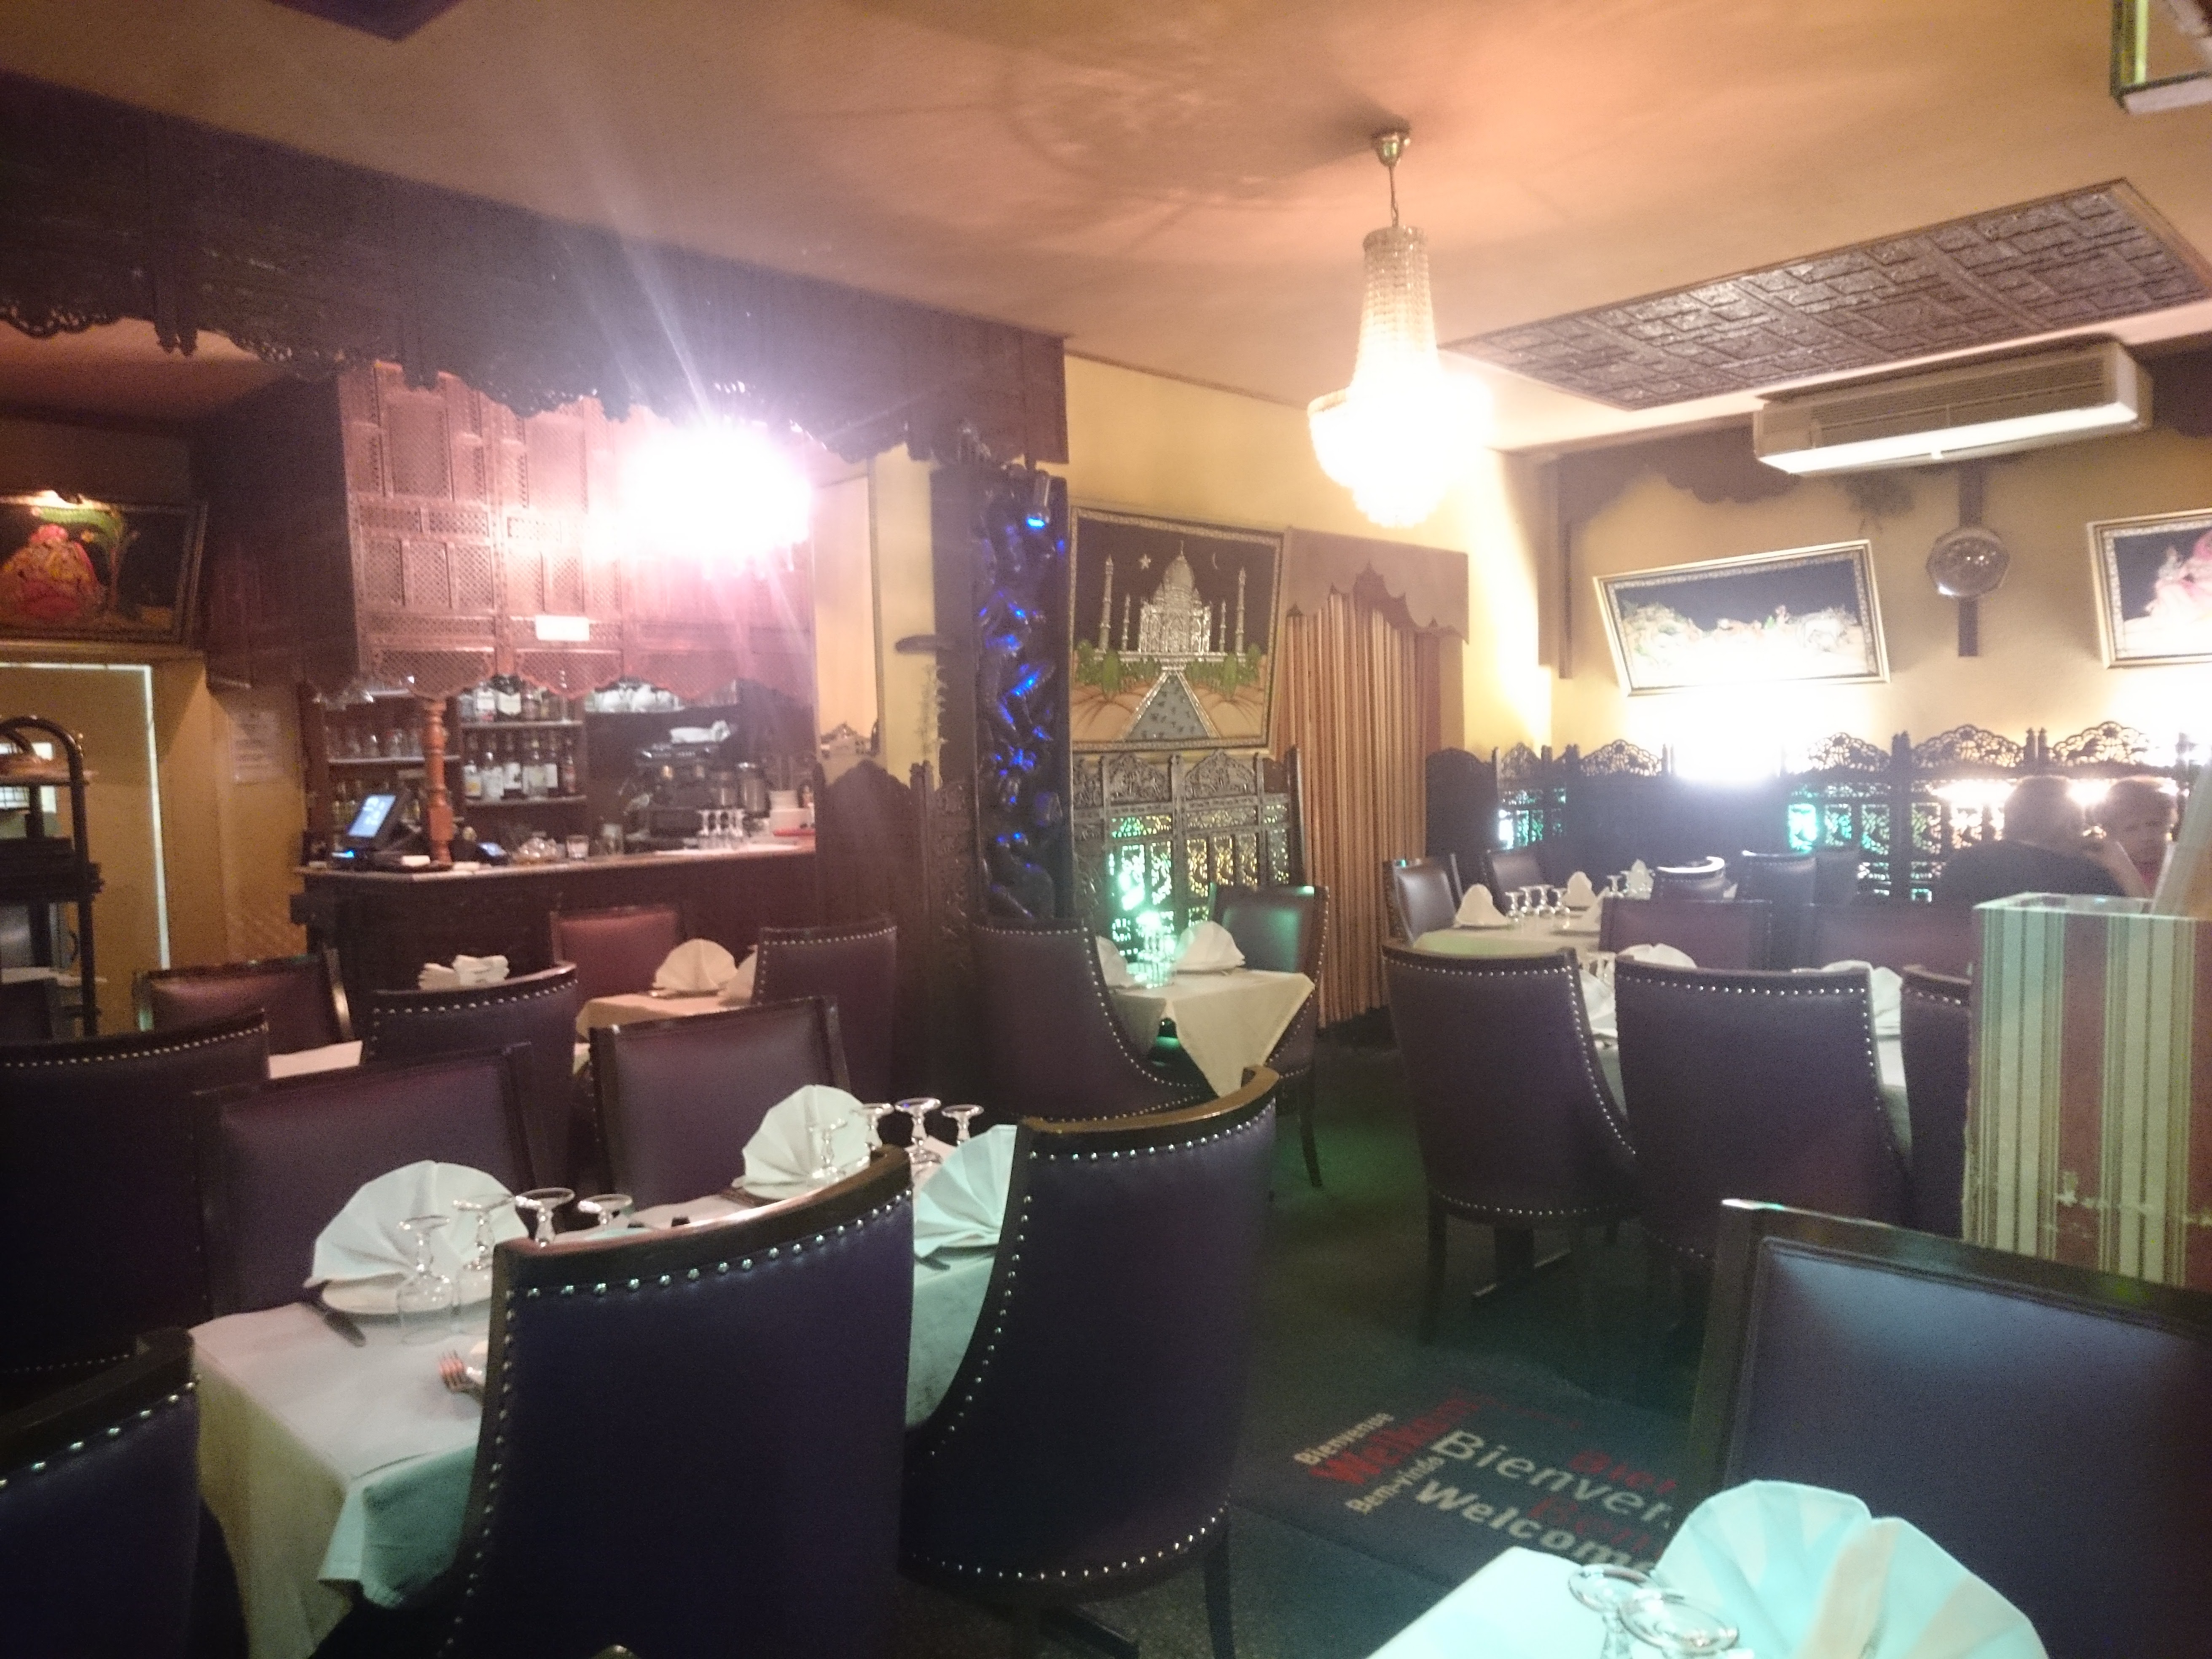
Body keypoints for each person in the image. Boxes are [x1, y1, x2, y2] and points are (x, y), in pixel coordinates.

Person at [1933, 774, 2137, 907]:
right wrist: (2122, 866)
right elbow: (2142, 930)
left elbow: (1942, 927)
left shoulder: (1965, 862)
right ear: (2071, 825)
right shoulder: (2087, 874)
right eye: (2083, 824)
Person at [2091, 775, 2179, 893]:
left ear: (2168, 824)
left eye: (2154, 824)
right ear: (2111, 834)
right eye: (2131, 829)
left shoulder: (2184, 866)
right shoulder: (2102, 873)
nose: (2146, 837)